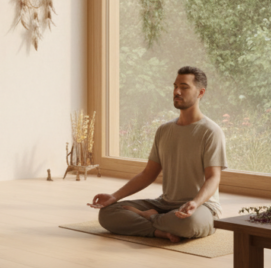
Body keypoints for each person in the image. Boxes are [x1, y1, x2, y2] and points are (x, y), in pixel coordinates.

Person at [89, 66, 226, 242]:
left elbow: (213, 177)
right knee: (107, 213)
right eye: (175, 86)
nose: (177, 91)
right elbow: (148, 174)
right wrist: (114, 196)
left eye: (184, 87)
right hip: (165, 205)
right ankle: (160, 230)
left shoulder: (211, 131)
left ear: (200, 93)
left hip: (202, 206)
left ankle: (149, 219)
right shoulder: (164, 130)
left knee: (188, 223)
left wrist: (195, 203)